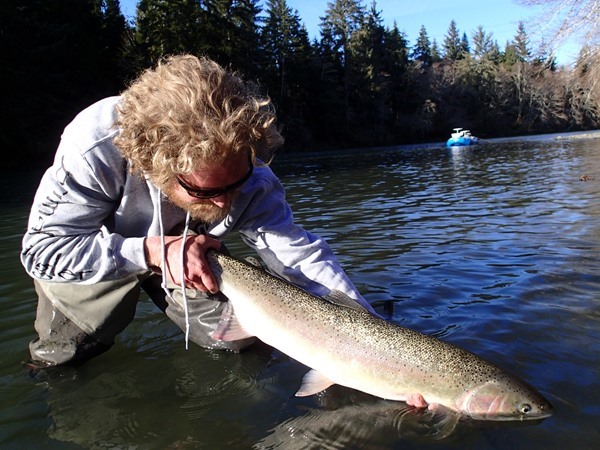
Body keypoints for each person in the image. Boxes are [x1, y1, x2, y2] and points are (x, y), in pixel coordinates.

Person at [21, 54, 377, 367]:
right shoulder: (92, 149)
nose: (225, 204)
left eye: (233, 185)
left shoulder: (251, 172)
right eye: (205, 191)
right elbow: (41, 252)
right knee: (64, 355)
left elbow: (298, 255)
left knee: (241, 339)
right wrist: (153, 252)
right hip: (94, 246)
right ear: (152, 168)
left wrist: (371, 331)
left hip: (192, 250)